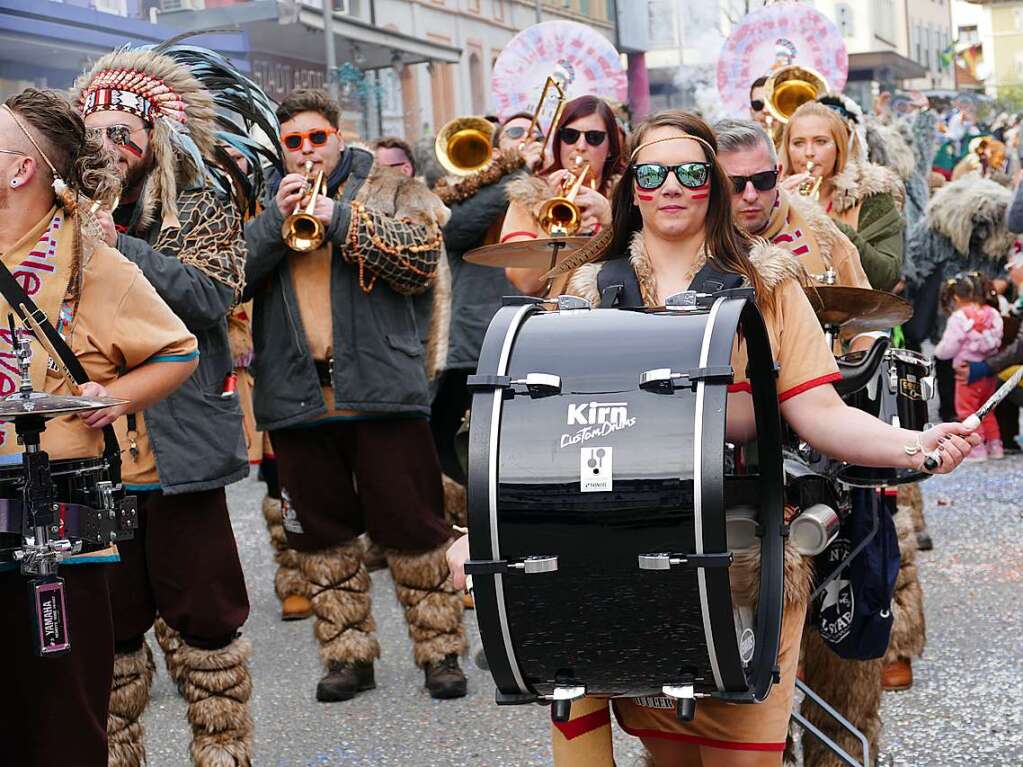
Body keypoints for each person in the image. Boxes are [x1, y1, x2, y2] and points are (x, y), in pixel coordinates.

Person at [446, 110, 977, 767]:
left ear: (712, 188)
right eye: (653, 172)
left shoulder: (770, 283)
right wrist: (488, 530)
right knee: (661, 756)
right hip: (613, 552)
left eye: (691, 172)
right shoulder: (585, 288)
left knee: (742, 759)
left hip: (742, 554)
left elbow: (817, 408)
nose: (671, 185)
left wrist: (913, 443)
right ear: (632, 186)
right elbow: (541, 434)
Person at [243, 88, 468, 703]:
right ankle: (347, 657)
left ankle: (441, 651)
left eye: (318, 138)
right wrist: (273, 223)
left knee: (416, 528)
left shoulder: (391, 188)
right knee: (320, 537)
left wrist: (338, 218)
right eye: (294, 143)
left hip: (382, 390)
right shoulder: (259, 200)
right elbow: (228, 279)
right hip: (297, 395)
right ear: (282, 148)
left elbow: (421, 261)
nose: (307, 152)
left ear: (339, 136)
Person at [0, 87, 198, 767]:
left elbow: (178, 349)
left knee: (60, 711)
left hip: (56, 506)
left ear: (20, 169)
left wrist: (115, 397)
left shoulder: (92, 261)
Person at [74, 45, 256, 766]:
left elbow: (212, 296)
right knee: (111, 633)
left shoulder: (198, 204)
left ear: (153, 141)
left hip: (178, 454)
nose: (112, 146)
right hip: (91, 456)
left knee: (208, 624)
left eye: (126, 132)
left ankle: (222, 754)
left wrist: (119, 244)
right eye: (97, 132)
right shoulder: (54, 214)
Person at [429, 113, 531, 488]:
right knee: (458, 452)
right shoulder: (464, 190)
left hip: (528, 331)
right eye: (514, 132)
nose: (523, 138)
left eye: (529, 130)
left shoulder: (545, 181)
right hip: (472, 342)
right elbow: (453, 230)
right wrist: (519, 176)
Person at [714, 118, 874, 349]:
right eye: (734, 184)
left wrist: (854, 368)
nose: (750, 195)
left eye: (762, 180)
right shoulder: (694, 242)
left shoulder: (820, 230)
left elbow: (870, 317)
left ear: (778, 173)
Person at [501, 95, 624, 296]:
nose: (581, 146)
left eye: (594, 137)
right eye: (570, 135)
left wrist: (610, 220)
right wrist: (551, 221)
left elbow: (649, 268)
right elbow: (526, 283)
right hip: (556, 320)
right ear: (558, 143)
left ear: (610, 148)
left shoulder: (630, 195)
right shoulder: (528, 197)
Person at [780, 100, 905, 291]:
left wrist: (823, 222)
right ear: (787, 149)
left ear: (839, 147)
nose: (809, 153)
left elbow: (886, 275)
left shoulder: (872, 193)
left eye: (820, 142)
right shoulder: (770, 196)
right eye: (798, 143)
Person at [934, 274, 1004, 460]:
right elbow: (998, 340)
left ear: (956, 297)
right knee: (988, 410)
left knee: (967, 411)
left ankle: (977, 449)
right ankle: (996, 446)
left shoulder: (959, 318)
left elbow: (949, 347)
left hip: (966, 372)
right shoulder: (993, 313)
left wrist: (938, 353)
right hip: (989, 371)